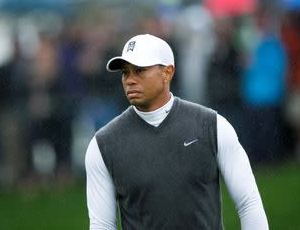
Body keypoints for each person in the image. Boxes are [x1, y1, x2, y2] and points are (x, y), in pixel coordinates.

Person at [85, 34, 269, 229]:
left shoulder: (212, 126)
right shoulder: (103, 144)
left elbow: (248, 203)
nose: (129, 80)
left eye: (139, 71)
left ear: (167, 72)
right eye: (125, 72)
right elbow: (102, 225)